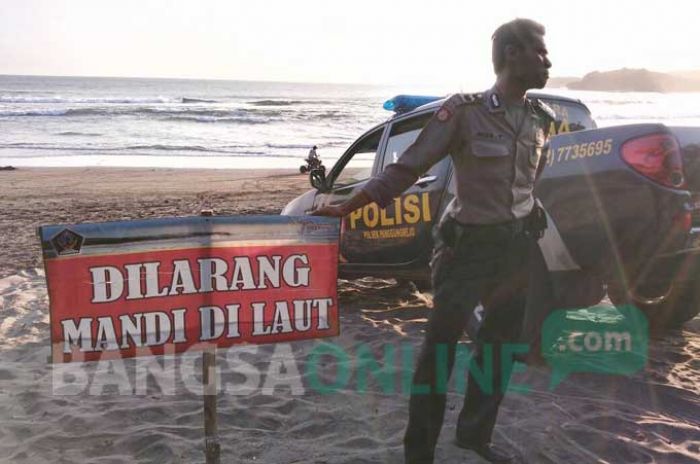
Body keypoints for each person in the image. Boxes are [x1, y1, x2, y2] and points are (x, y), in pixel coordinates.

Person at [314, 18, 555, 464]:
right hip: (466, 250)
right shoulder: (464, 112)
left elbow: (529, 180)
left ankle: (473, 435)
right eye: (539, 52)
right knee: (438, 354)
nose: (548, 60)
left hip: (516, 250)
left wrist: (530, 210)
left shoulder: (543, 120)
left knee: (500, 349)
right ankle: (419, 451)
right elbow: (407, 167)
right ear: (511, 55)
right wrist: (350, 204)